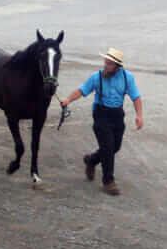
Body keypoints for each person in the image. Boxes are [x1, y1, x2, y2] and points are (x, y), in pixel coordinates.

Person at [58, 47, 143, 196]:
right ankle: (108, 181)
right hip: (101, 115)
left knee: (115, 147)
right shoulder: (96, 77)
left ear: (117, 67)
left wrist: (139, 115)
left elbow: (136, 96)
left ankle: (91, 160)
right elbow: (81, 90)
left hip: (117, 115)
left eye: (109, 64)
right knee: (108, 147)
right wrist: (68, 100)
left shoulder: (127, 77)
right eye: (105, 62)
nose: (106, 66)